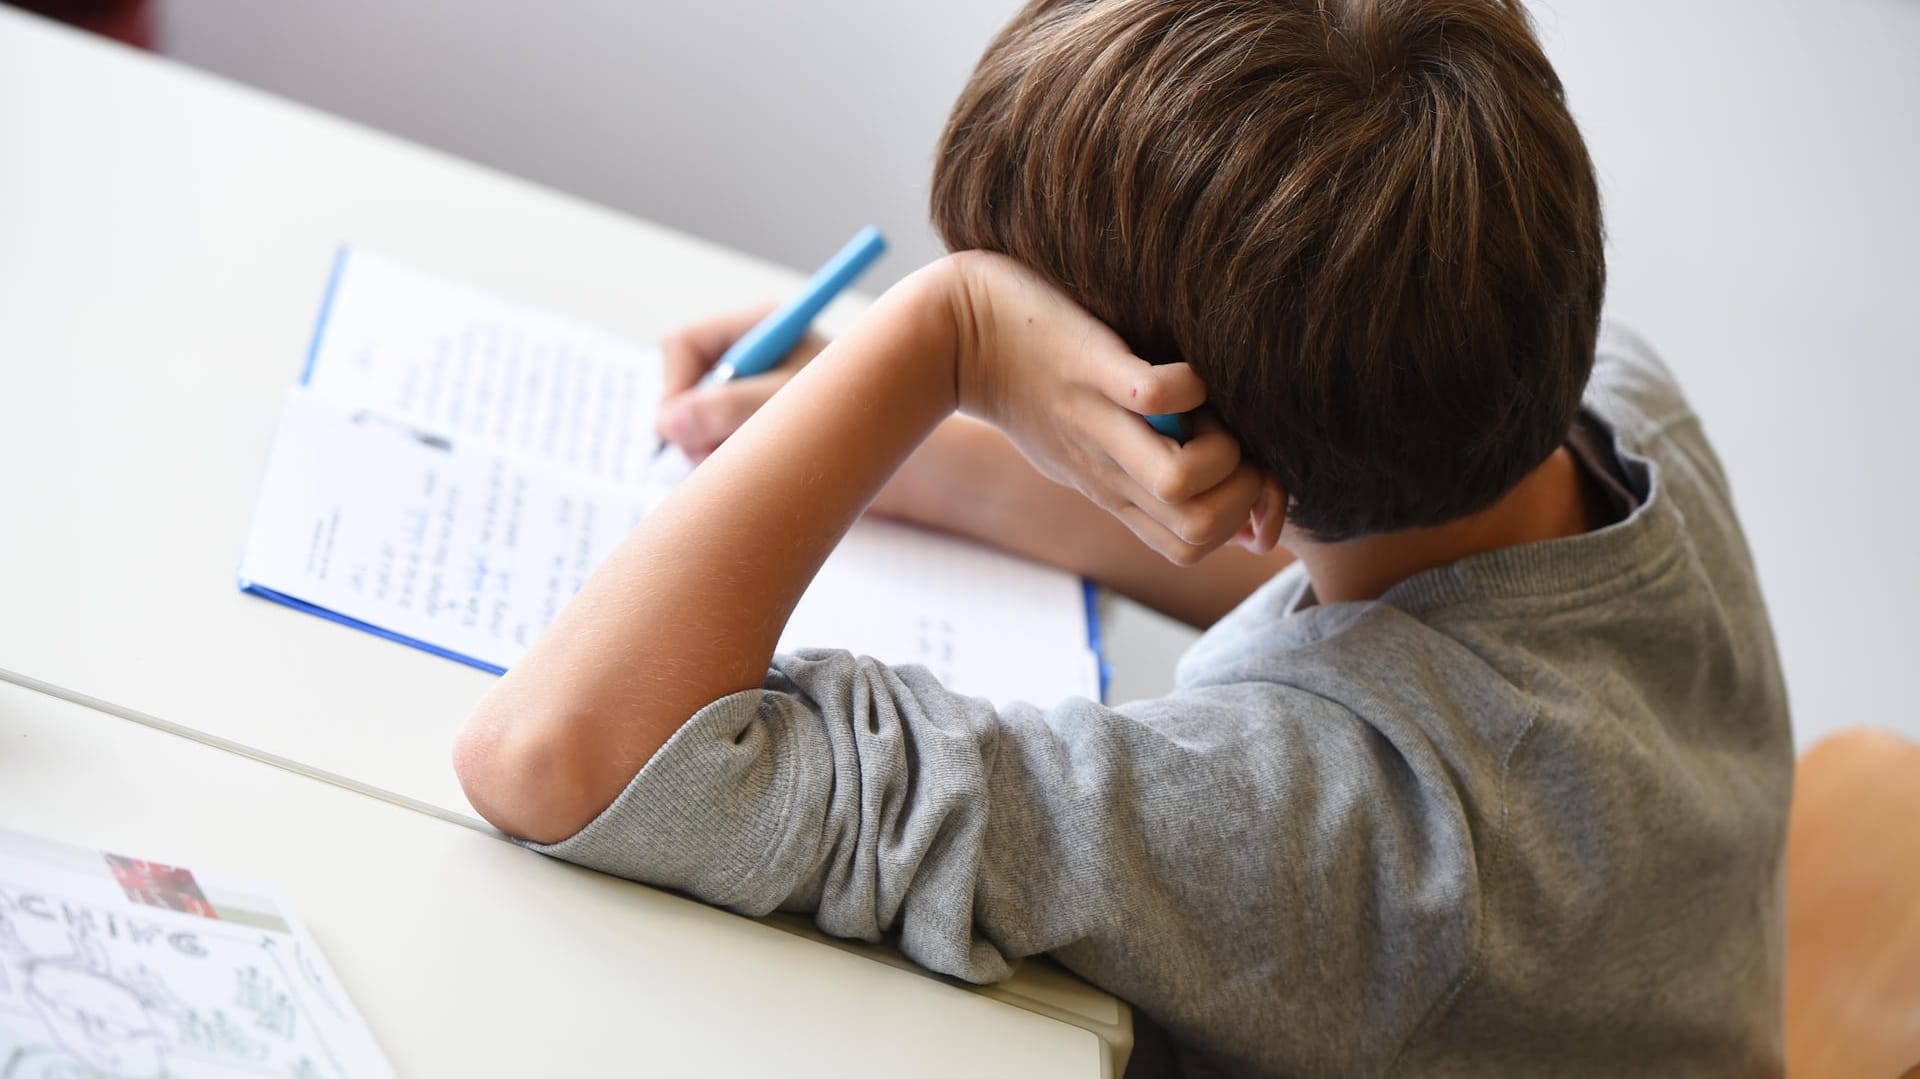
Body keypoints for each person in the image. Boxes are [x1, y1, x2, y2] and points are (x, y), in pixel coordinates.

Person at [453, 0, 1793, 1074]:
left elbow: (561, 756)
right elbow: (1330, 536)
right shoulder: (1620, 406)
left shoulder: (1326, 827)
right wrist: (900, 438)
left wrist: (939, 341)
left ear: (1182, 441)